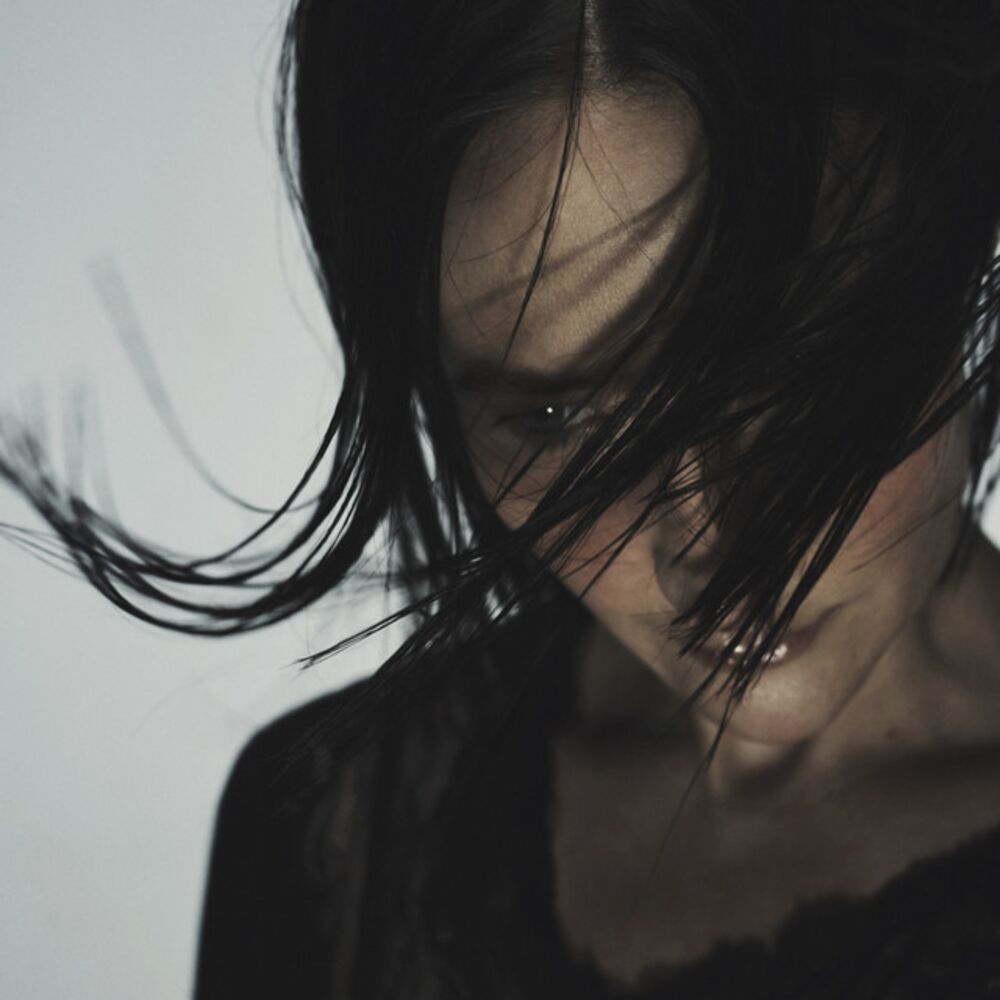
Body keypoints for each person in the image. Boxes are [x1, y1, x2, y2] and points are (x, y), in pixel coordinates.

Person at [4, 1, 1000, 997]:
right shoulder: (335, 833)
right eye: (557, 420)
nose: (709, 544)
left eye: (796, 377)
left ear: (949, 259)